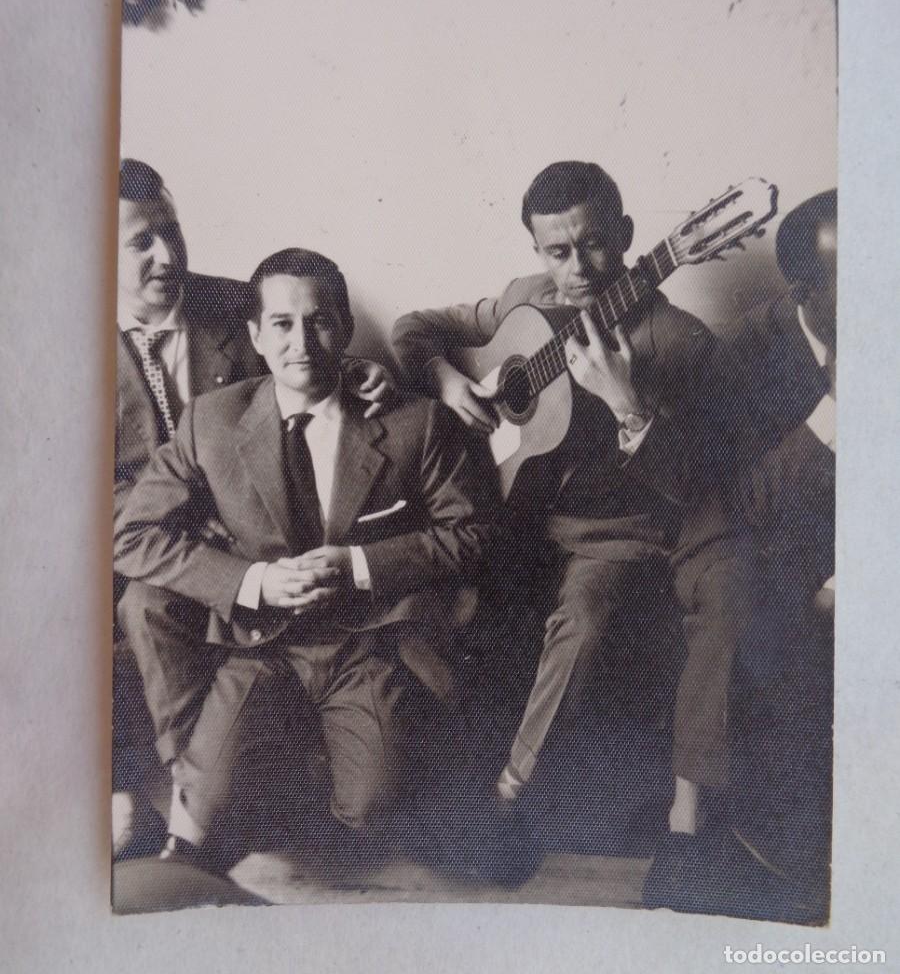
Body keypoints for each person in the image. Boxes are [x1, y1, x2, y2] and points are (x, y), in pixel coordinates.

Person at [115, 248, 487, 869]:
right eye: (282, 325)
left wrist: (362, 565)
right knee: (204, 827)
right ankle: (219, 779)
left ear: (343, 328)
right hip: (259, 645)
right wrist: (252, 581)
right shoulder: (212, 421)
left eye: (318, 322)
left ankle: (305, 771)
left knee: (373, 815)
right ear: (255, 335)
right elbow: (133, 535)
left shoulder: (414, 423)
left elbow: (472, 536)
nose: (302, 343)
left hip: (364, 644)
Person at [391, 160, 727, 820]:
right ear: (539, 251)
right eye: (559, 251)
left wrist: (629, 405)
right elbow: (413, 328)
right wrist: (450, 381)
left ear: (628, 234)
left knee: (583, 625)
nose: (580, 269)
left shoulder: (682, 341)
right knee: (420, 591)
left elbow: (701, 481)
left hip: (615, 534)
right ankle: (432, 768)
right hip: (519, 511)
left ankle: (509, 793)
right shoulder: (526, 297)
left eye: (595, 242)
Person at [113, 162, 393, 854]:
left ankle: (231, 794)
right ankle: (193, 794)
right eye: (141, 242)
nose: (169, 257)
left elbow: (305, 352)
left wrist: (360, 371)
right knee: (145, 605)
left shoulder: (236, 305)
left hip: (260, 533)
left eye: (172, 232)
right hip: (155, 541)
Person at [642, 189, 837, 918]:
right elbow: (740, 505)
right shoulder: (741, 357)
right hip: (753, 541)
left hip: (848, 547)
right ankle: (691, 844)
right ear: (804, 292)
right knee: (744, 601)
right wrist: (835, 416)